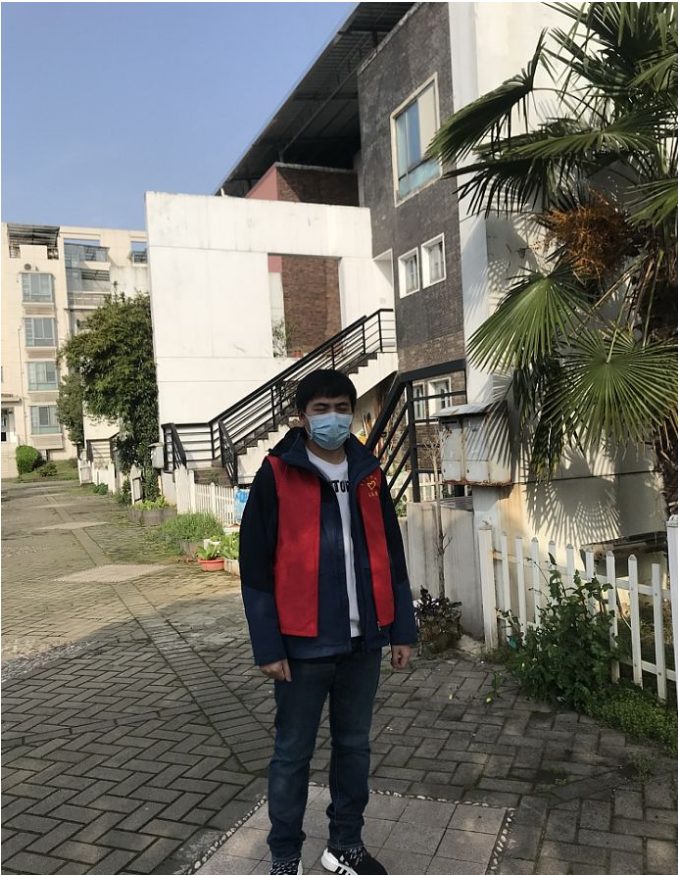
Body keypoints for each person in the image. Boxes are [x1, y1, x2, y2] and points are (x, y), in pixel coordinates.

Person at [240, 369, 418, 875]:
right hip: (303, 646)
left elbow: (391, 553)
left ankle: (345, 845)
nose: (333, 417)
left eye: (342, 407)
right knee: (292, 754)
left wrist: (401, 629)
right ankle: (285, 857)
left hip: (364, 644)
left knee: (354, 748)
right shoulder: (277, 474)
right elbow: (254, 566)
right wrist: (268, 645)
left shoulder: (369, 472)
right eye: (321, 409)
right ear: (302, 417)